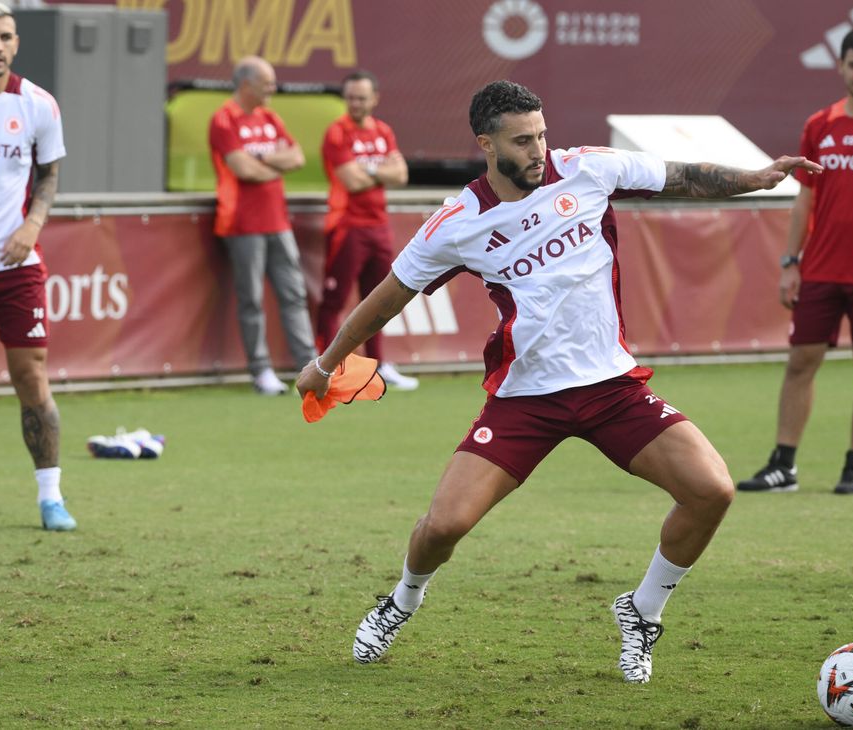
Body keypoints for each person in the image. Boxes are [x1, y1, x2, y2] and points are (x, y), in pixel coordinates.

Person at [296, 80, 821, 682]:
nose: (539, 150)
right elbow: (389, 297)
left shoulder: (587, 169)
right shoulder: (457, 222)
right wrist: (326, 364)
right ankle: (401, 601)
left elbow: (681, 175)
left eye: (542, 135)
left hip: (612, 389)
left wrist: (757, 177)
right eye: (523, 141)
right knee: (444, 526)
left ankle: (643, 611)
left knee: (712, 490)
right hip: (526, 399)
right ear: (486, 144)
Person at [737, 28, 853, 496]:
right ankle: (783, 467)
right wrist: (791, 262)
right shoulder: (820, 124)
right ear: (841, 66)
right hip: (821, 268)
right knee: (801, 362)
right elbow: (804, 200)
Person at [0, 1, 74, 530]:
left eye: (6, 37)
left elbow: (48, 175)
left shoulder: (38, 104)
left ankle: (51, 498)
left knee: (31, 376)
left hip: (15, 265)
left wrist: (32, 225)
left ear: (17, 43)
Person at [209, 56, 317, 395]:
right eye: (266, 83)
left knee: (294, 295)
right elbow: (243, 170)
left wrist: (260, 160)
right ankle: (261, 371)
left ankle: (309, 367)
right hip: (241, 223)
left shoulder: (270, 117)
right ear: (246, 84)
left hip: (278, 220)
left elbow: (297, 157)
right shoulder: (224, 119)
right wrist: (273, 164)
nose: (273, 88)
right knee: (251, 299)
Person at [318, 70, 417, 390]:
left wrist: (367, 169)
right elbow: (352, 181)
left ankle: (379, 365)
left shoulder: (383, 131)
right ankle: (326, 368)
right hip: (346, 227)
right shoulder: (337, 132)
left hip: (378, 226)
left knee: (379, 301)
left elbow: (401, 175)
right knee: (334, 301)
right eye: (350, 98)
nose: (355, 104)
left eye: (361, 98)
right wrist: (380, 170)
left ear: (375, 99)